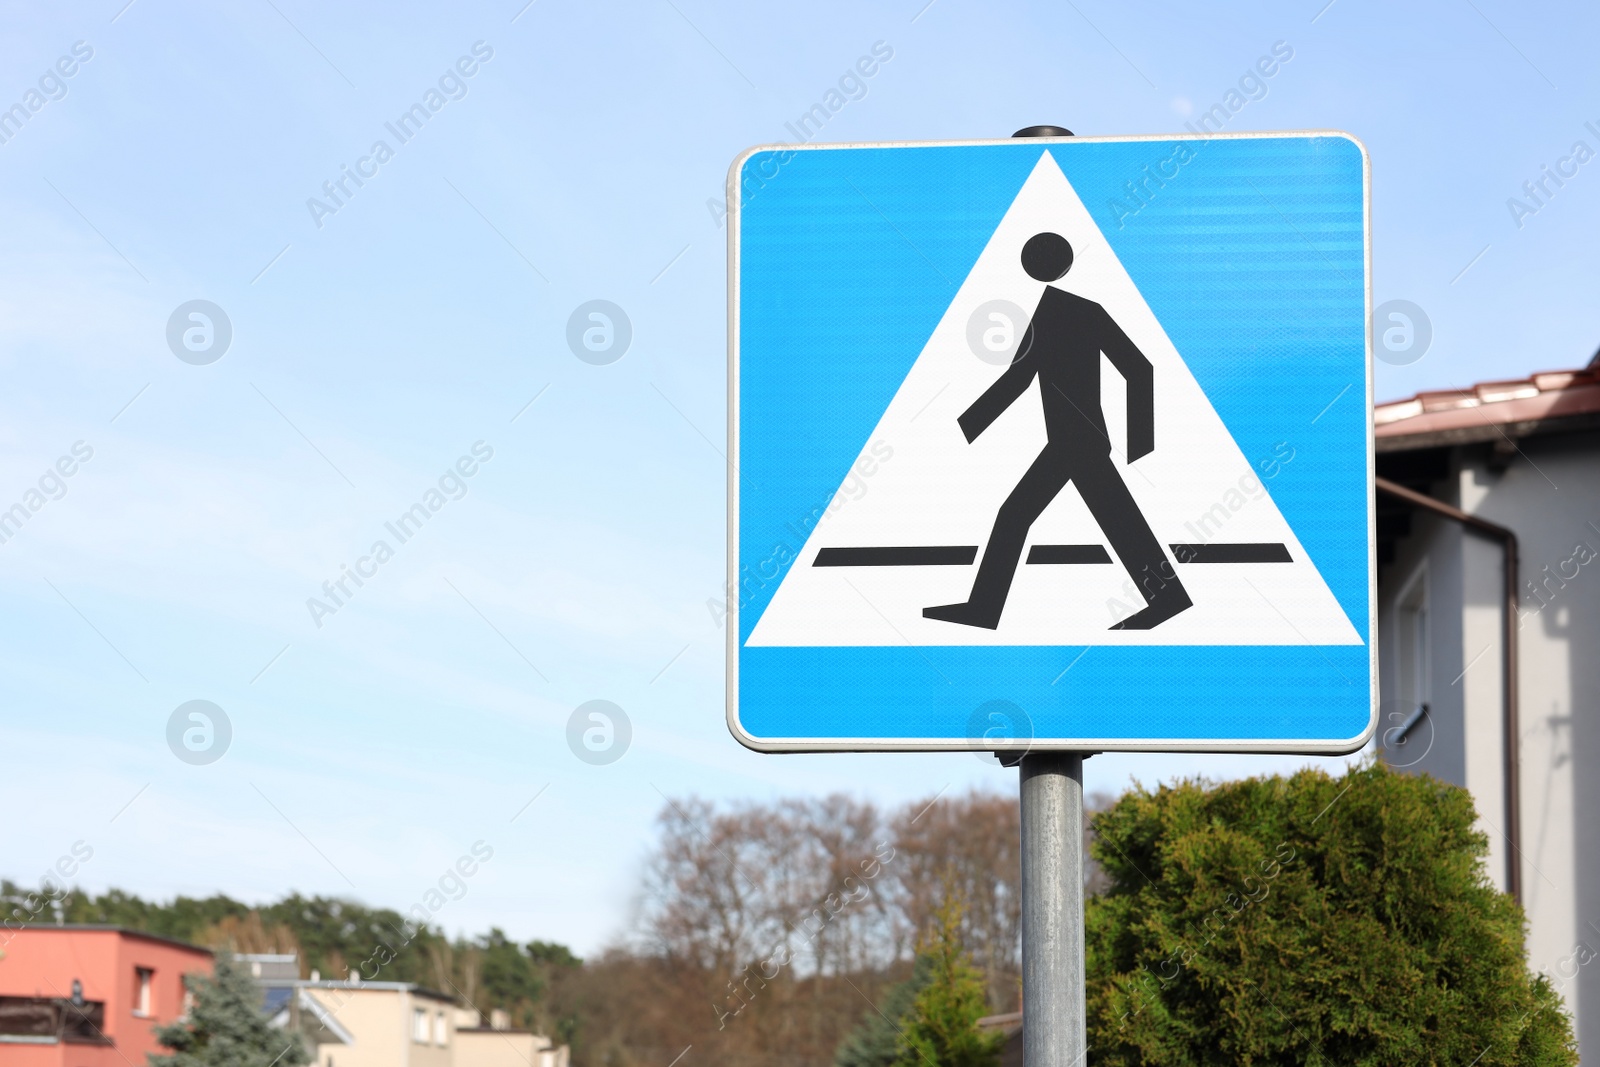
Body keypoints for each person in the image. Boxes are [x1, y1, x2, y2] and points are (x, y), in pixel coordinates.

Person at [923, 231, 1191, 631]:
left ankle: (984, 609)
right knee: (1090, 518)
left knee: (1026, 516)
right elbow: (1133, 370)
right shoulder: (1074, 312)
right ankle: (1166, 598)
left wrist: (1141, 446)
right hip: (1075, 440)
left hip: (1076, 442)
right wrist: (1139, 443)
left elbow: (1134, 369)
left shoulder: (1058, 313)